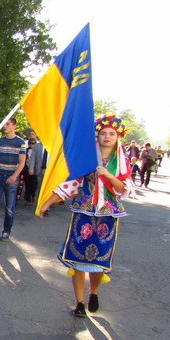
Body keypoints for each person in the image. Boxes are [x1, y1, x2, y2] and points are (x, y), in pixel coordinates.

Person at [39, 113, 134, 317]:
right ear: (97, 137)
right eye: (103, 133)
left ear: (118, 137)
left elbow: (124, 190)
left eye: (111, 133)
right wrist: (47, 203)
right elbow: (72, 184)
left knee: (99, 261)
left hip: (107, 216)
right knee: (78, 259)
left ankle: (94, 292)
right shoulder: (88, 159)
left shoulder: (121, 163)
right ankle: (79, 303)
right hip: (83, 213)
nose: (107, 137)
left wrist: (108, 175)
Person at [0, 117, 26, 244]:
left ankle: (6, 231)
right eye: (4, 124)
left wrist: (14, 176)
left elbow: (22, 162)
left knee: (9, 207)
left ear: (14, 126)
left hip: (12, 179)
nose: (5, 126)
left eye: (7, 124)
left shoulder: (20, 143)